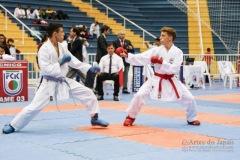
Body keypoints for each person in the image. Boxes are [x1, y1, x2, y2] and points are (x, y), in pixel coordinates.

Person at [2, 22, 109, 134]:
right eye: (61, 32)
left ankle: (94, 118)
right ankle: (13, 125)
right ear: (55, 34)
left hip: (63, 80)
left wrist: (89, 68)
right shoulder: (44, 48)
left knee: (87, 92)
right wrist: (60, 62)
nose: (64, 34)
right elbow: (45, 69)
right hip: (48, 82)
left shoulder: (62, 46)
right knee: (34, 107)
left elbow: (73, 61)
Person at [119, 26, 201, 126]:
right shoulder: (156, 50)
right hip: (156, 79)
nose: (160, 38)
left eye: (163, 36)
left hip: (171, 79)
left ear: (170, 38)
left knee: (190, 98)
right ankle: (130, 116)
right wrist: (128, 56)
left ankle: (192, 118)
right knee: (140, 95)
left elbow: (174, 69)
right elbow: (142, 58)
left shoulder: (178, 52)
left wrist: (161, 62)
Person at [113, 30, 134, 94]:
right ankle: (117, 87)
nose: (123, 35)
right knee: (117, 75)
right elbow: (114, 51)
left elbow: (133, 51)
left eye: (124, 34)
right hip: (117, 61)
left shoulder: (128, 41)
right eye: (122, 34)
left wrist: (131, 48)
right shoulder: (115, 42)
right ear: (119, 35)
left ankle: (125, 88)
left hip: (126, 61)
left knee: (126, 74)